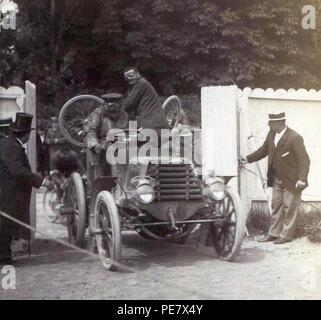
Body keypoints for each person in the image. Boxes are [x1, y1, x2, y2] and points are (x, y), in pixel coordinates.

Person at [242, 112, 310, 244]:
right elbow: (263, 150)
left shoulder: (294, 137)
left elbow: (305, 161)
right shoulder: (271, 134)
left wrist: (302, 179)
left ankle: (286, 236)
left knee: (289, 207)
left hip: (292, 180)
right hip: (275, 178)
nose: (268, 125)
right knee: (276, 206)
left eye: (271, 123)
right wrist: (247, 159)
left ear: (280, 122)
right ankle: (274, 233)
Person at [0, 113, 54, 265]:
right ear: (25, 134)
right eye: (29, 132)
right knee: (6, 225)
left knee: (7, 225)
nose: (30, 136)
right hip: (10, 192)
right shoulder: (12, 147)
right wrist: (42, 182)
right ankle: (3, 257)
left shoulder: (10, 144)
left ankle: (5, 256)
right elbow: (18, 171)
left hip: (10, 191)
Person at [84, 93, 128, 181]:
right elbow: (91, 130)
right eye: (109, 104)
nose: (112, 107)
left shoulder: (125, 115)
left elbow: (129, 130)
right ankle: (106, 182)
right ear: (105, 104)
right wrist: (95, 145)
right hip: (102, 142)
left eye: (115, 104)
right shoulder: (98, 113)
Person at [122, 67, 170, 146]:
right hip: (157, 126)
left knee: (135, 147)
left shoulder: (140, 84)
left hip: (152, 126)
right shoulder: (142, 84)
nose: (129, 78)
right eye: (126, 77)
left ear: (138, 74)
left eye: (131, 75)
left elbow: (128, 104)